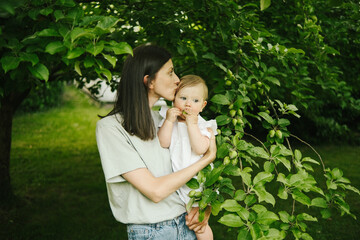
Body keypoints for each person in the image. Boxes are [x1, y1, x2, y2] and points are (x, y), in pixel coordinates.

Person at [95, 44, 217, 240]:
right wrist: (209, 157)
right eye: (170, 72)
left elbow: (188, 164)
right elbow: (156, 191)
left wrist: (204, 206)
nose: (177, 80)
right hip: (153, 232)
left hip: (187, 224)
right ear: (149, 81)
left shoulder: (165, 120)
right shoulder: (111, 129)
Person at [157, 75, 217, 240]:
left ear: (203, 106)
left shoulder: (203, 125)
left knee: (198, 224)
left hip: (196, 183)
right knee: (181, 219)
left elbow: (200, 149)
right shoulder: (171, 121)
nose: (188, 104)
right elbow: (163, 142)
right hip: (176, 180)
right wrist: (169, 121)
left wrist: (192, 124)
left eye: (195, 100)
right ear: (174, 99)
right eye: (183, 98)